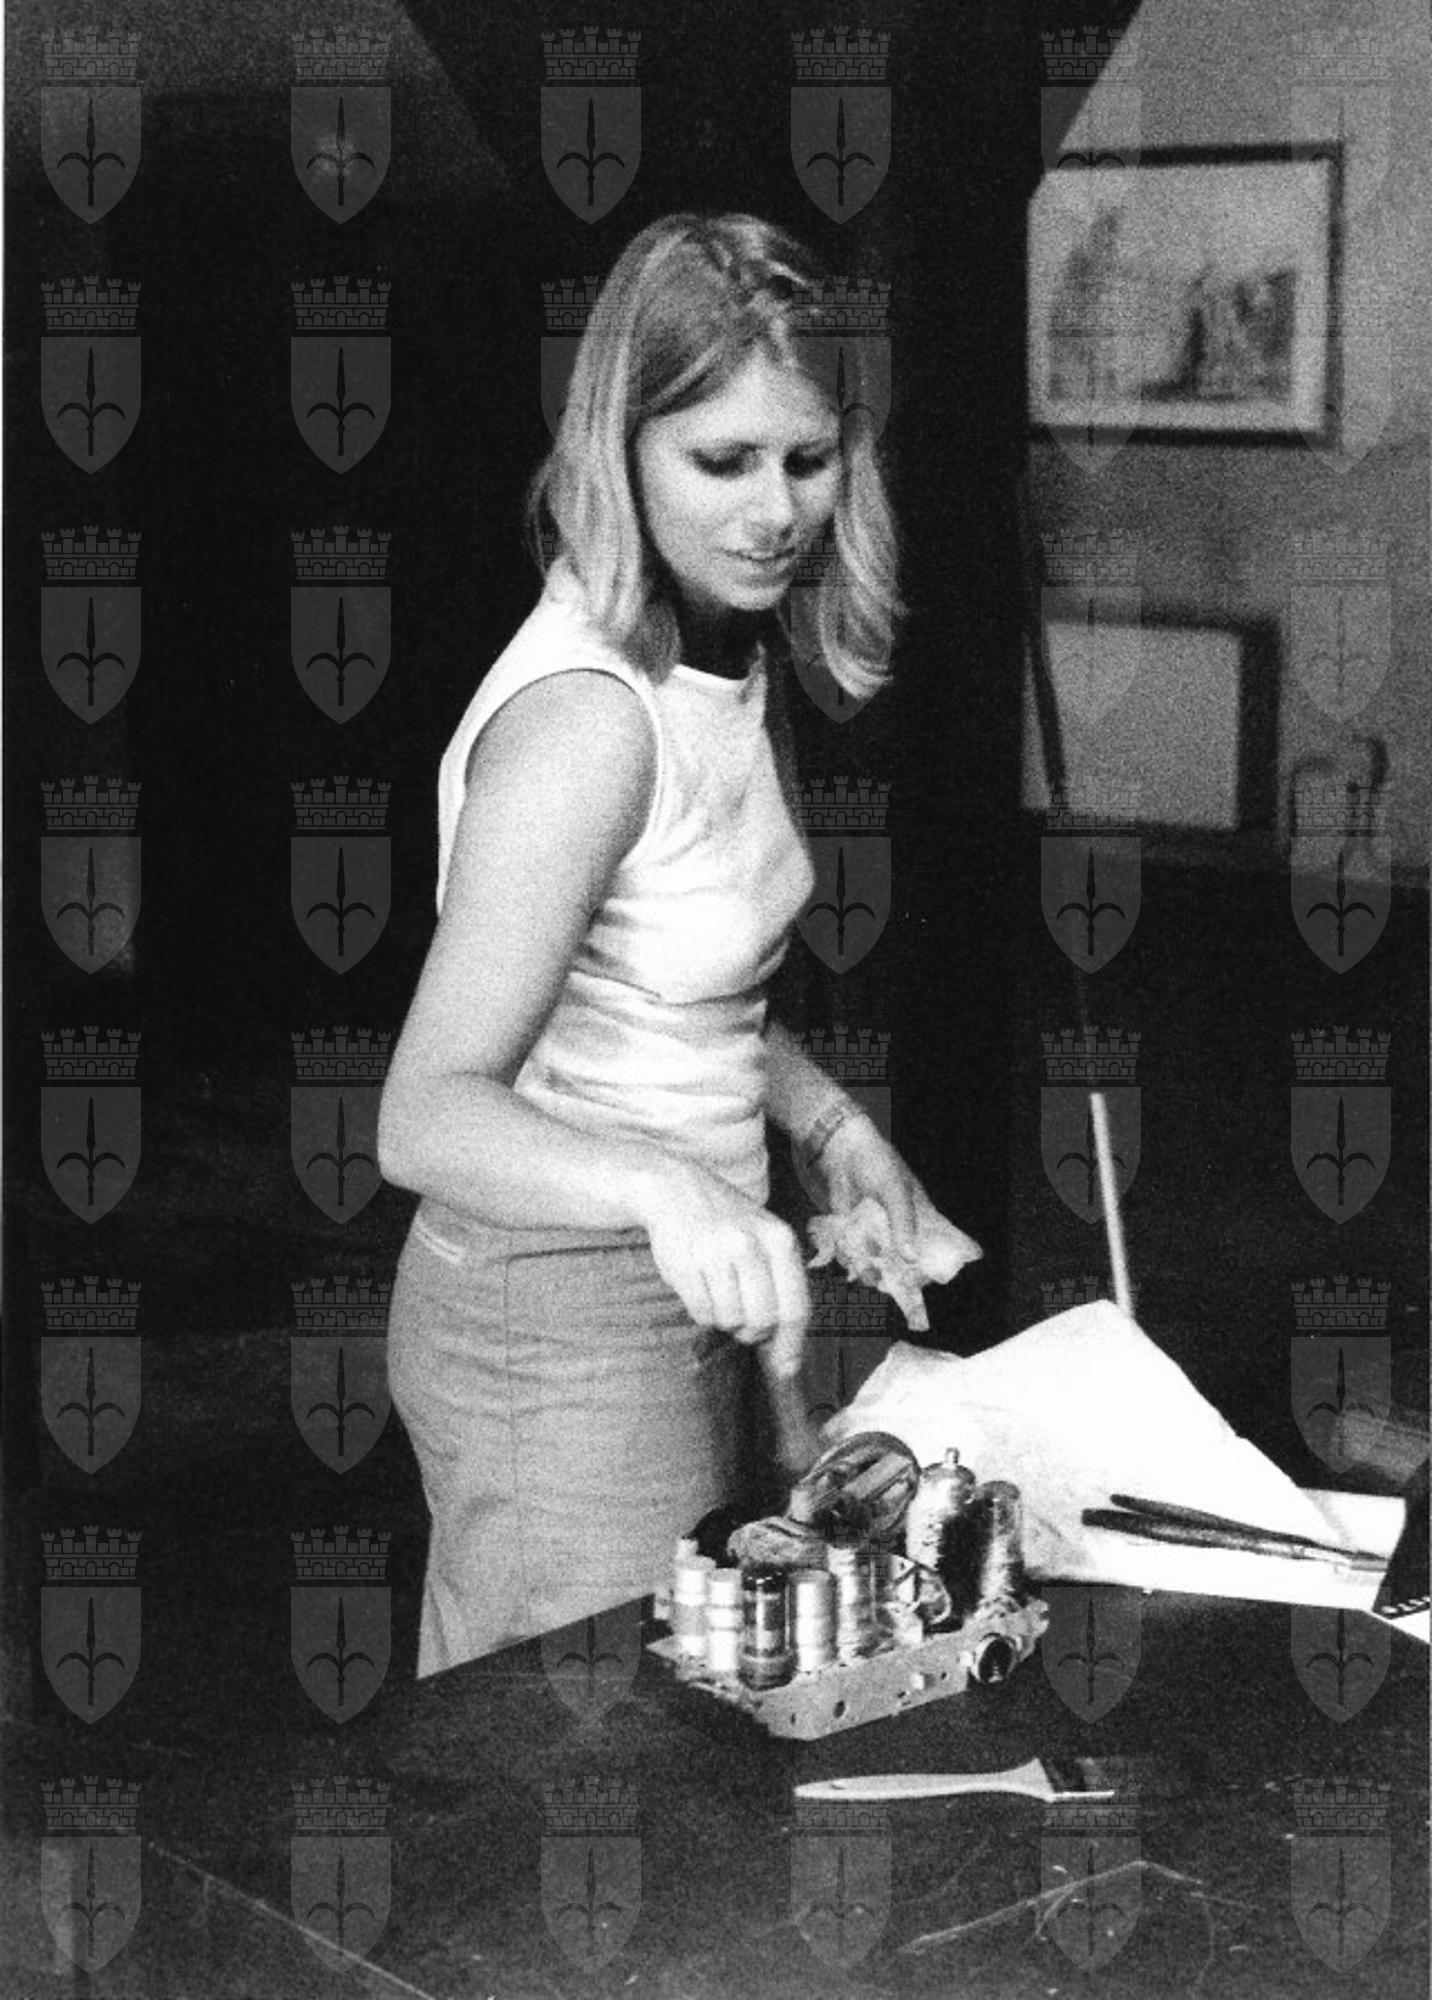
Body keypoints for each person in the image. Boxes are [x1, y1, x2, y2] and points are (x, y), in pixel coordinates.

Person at [378, 212, 972, 1676]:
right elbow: (422, 1114)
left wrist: (832, 1131)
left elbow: (678, 989)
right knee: (577, 1769)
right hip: (548, 1309)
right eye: (723, 461)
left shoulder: (723, 651)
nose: (776, 512)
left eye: (808, 458)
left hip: (699, 1275)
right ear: (622, 447)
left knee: (713, 1726)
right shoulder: (589, 722)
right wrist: (668, 1191)